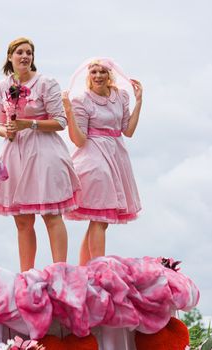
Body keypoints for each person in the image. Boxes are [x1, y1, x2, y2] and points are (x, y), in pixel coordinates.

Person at [0, 37, 80, 272]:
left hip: (44, 153)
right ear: (10, 57)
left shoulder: (46, 83)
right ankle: (26, 274)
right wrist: (8, 130)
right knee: (22, 220)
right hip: (15, 153)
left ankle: (60, 271)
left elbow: (60, 122)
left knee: (51, 214)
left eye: (29, 53)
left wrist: (28, 124)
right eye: (19, 52)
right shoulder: (1, 86)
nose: (25, 56)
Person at [62, 57, 142, 265]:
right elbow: (79, 140)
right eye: (94, 72)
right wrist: (69, 112)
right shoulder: (82, 100)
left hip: (116, 155)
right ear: (88, 75)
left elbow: (128, 130)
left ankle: (85, 270)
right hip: (93, 156)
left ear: (109, 75)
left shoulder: (120, 96)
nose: (98, 76)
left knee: (100, 220)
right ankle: (99, 268)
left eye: (102, 72)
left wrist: (139, 102)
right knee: (99, 217)